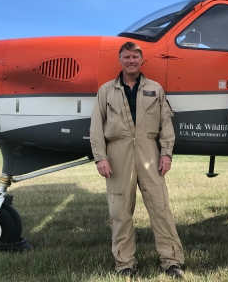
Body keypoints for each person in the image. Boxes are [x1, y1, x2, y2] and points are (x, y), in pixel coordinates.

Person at [90, 42, 184, 279]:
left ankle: (172, 261)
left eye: (135, 57)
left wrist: (166, 153)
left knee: (160, 209)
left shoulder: (155, 89)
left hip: (149, 154)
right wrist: (100, 158)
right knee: (120, 212)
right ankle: (125, 264)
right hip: (117, 155)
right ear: (120, 60)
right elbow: (95, 129)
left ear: (141, 61)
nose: (131, 61)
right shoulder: (106, 91)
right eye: (126, 57)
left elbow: (166, 125)